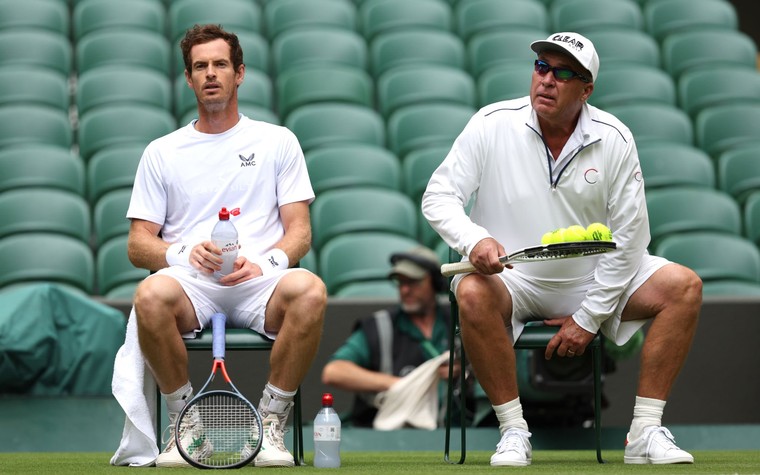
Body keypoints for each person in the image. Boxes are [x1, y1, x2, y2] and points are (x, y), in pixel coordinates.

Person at [422, 32, 701, 467]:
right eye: (541, 68)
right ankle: (513, 431)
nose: (547, 80)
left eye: (563, 73)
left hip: (594, 279)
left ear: (586, 89)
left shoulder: (615, 138)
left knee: (683, 287)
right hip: (511, 281)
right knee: (471, 292)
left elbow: (630, 239)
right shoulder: (491, 122)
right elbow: (438, 196)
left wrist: (589, 317)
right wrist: (474, 239)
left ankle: (645, 430)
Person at [111, 24, 326, 468]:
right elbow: (137, 245)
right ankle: (186, 428)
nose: (211, 74)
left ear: (239, 73)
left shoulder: (278, 141)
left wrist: (266, 261)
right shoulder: (161, 152)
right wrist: (181, 253)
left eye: (220, 65)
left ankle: (269, 425)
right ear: (189, 79)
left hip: (261, 281)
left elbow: (300, 232)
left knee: (311, 290)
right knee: (149, 295)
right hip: (191, 284)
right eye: (200, 66)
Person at [321, 246, 469, 428]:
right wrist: (404, 385)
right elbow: (334, 371)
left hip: (451, 431)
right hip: (389, 434)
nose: (405, 290)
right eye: (400, 282)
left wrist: (465, 370)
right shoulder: (379, 326)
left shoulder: (458, 321)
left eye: (413, 282)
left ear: (436, 283)